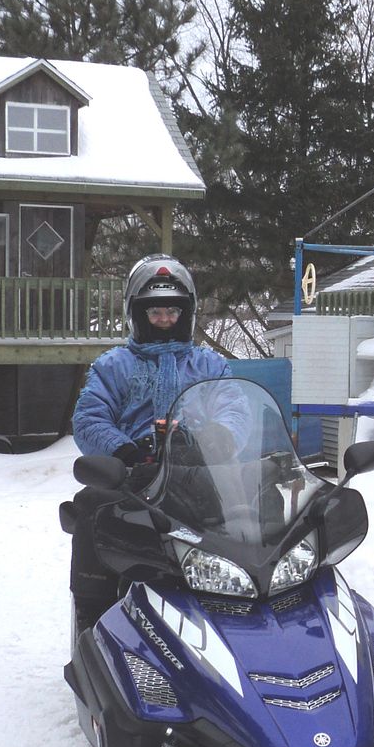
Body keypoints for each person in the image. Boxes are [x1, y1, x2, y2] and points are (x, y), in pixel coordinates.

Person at [67, 254, 244, 632]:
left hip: (202, 474)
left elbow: (236, 407)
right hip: (133, 478)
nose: (165, 321)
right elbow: (88, 418)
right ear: (137, 314)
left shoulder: (210, 365)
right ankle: (91, 617)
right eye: (156, 313)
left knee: (262, 509)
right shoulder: (114, 365)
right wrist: (123, 450)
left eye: (172, 312)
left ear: (187, 313)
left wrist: (218, 437)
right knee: (91, 509)